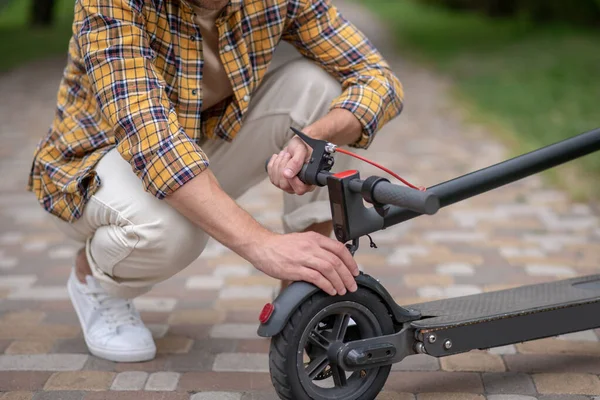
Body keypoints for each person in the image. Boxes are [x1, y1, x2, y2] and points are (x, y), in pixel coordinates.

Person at [27, 0, 403, 363]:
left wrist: (316, 137)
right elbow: (152, 139)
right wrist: (264, 245)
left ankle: (309, 285)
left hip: (198, 143)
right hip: (92, 170)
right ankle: (94, 279)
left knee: (321, 87)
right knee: (170, 231)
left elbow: (379, 79)